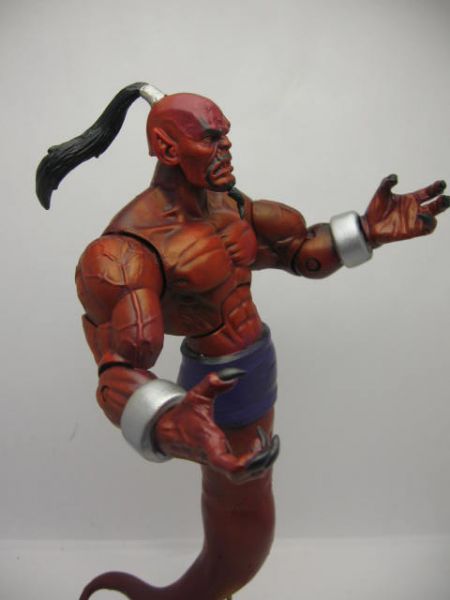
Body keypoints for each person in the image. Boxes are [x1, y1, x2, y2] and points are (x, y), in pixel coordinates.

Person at [36, 83, 449, 600]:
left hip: (257, 368)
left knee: (248, 515)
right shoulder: (125, 251)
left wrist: (366, 231)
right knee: (245, 525)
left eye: (226, 134)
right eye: (211, 138)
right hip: (217, 387)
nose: (226, 147)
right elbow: (117, 369)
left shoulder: (227, 204)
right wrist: (167, 422)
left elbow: (298, 250)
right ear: (166, 147)